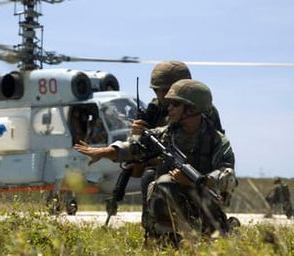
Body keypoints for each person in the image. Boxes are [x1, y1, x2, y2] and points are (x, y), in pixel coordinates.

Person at [74, 79, 237, 247]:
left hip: (205, 204)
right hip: (176, 200)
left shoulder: (217, 140)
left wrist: (196, 181)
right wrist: (102, 152)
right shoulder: (166, 134)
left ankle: (220, 229)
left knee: (216, 244)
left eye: (175, 104)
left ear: (192, 109)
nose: (169, 108)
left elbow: (227, 176)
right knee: (162, 183)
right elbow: (135, 147)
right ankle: (165, 240)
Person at [130, 60, 225, 235]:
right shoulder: (155, 108)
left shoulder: (203, 109)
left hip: (198, 168)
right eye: (156, 90)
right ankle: (153, 231)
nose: (161, 95)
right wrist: (137, 134)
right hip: (164, 166)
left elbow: (212, 148)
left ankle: (212, 225)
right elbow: (140, 153)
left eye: (164, 90)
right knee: (149, 176)